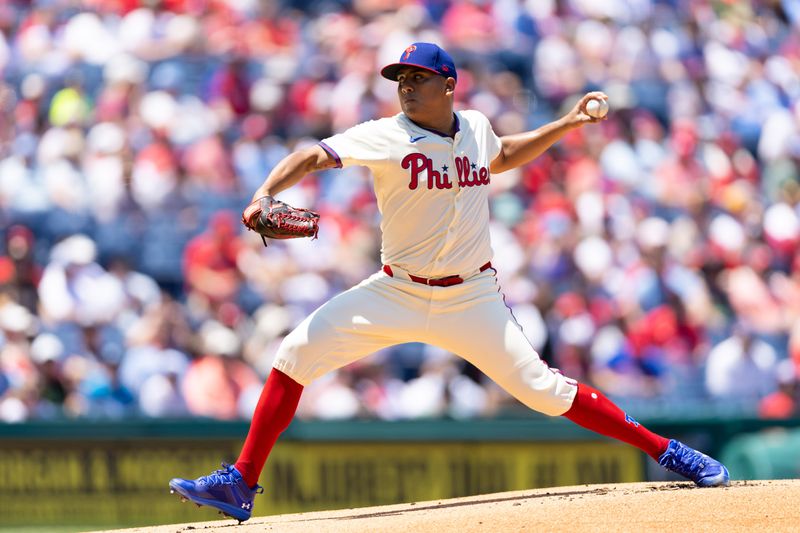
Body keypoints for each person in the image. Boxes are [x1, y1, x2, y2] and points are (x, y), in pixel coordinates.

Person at [169, 42, 729, 522]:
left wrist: (568, 123)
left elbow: (503, 154)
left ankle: (669, 451)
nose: (407, 87)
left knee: (544, 390)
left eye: (418, 78)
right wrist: (264, 194)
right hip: (398, 290)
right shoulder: (385, 136)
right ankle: (241, 482)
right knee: (294, 352)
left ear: (450, 86)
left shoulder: (478, 128)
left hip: (472, 296)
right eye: (401, 79)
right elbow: (311, 156)